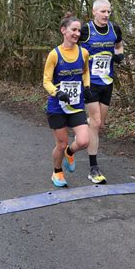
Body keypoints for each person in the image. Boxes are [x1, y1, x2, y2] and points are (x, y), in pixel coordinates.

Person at [43, 13, 93, 187]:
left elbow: (85, 72)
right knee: (61, 143)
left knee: (84, 141)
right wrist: (57, 92)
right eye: (74, 29)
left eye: (79, 30)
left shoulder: (84, 53)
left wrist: (86, 87)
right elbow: (46, 80)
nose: (77, 33)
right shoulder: (54, 55)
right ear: (63, 30)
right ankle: (57, 172)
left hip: (76, 104)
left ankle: (70, 152)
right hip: (57, 106)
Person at [79, 0, 124, 184]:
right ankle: (93, 168)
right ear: (94, 12)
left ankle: (87, 126)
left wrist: (119, 55)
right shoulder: (86, 30)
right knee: (96, 123)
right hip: (90, 83)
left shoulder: (115, 29)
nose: (106, 15)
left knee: (99, 124)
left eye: (108, 12)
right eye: (103, 12)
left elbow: (119, 45)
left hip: (107, 83)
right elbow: (72, 49)